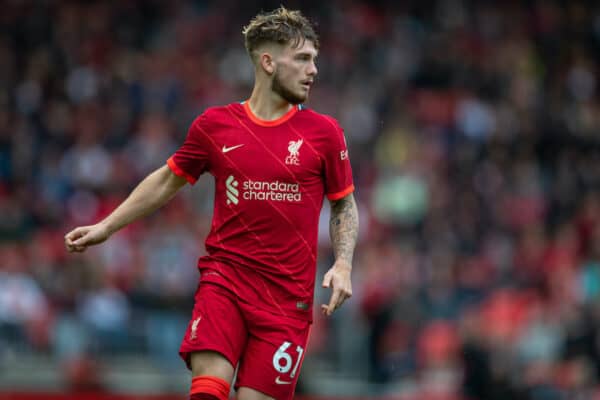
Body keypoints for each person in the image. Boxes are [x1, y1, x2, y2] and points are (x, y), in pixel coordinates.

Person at [64, 6, 358, 400]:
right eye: (303, 58)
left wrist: (343, 263)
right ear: (268, 62)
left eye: (315, 60)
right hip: (225, 284)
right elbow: (168, 179)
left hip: (287, 303)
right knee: (207, 393)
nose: (313, 70)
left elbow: (343, 205)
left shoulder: (325, 134)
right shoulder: (215, 125)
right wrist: (106, 227)